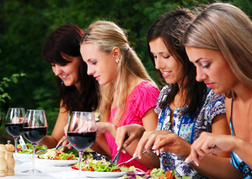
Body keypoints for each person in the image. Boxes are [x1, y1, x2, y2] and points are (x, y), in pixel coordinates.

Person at [115, 9, 231, 178]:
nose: (157, 65)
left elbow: (227, 172)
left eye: (165, 56)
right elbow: (158, 160)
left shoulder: (215, 98)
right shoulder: (165, 95)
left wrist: (186, 150)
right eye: (154, 56)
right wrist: (141, 134)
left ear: (187, 51)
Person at [183, 2, 252, 178]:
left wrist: (235, 144)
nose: (199, 76)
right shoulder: (230, 101)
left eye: (205, 64)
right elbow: (236, 173)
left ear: (235, 52)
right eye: (195, 66)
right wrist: (181, 149)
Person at [80, 20, 160, 171]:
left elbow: (156, 163)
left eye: (94, 62)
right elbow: (117, 156)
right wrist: (89, 135)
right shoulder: (110, 92)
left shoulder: (145, 92)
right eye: (87, 64)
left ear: (116, 53)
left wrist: (111, 129)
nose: (88, 71)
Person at [38, 24, 99, 149]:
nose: (57, 72)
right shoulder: (69, 95)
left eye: (63, 63)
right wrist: (30, 131)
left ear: (83, 57)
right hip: (84, 167)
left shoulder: (105, 88)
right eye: (53, 65)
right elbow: (55, 143)